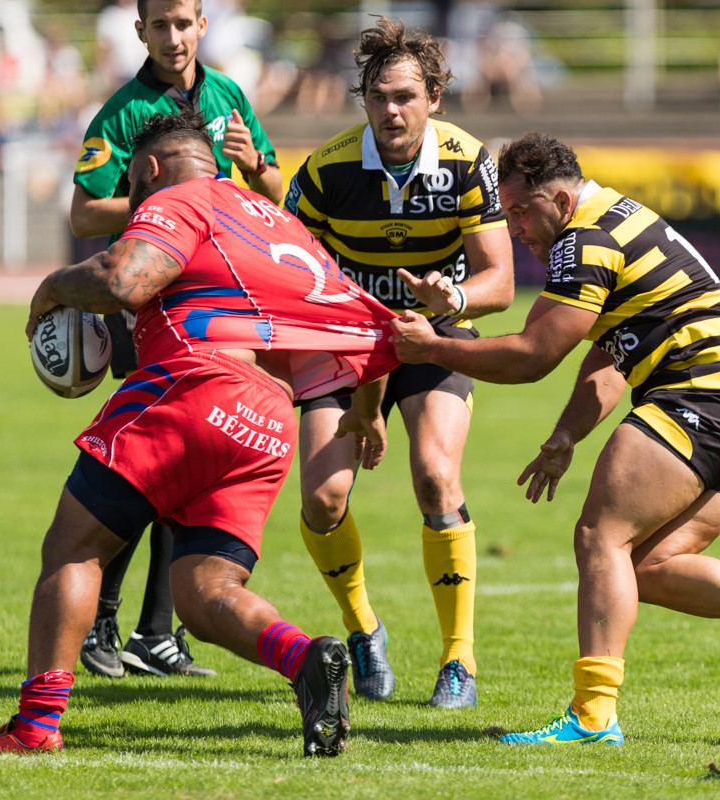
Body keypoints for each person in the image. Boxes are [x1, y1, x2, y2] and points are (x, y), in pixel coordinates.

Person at [0, 110, 400, 757]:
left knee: (74, 546)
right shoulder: (278, 222)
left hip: (194, 384)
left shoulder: (183, 198)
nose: (134, 204)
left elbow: (122, 278)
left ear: (152, 170)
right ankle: (307, 658)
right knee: (205, 591)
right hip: (265, 417)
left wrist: (53, 286)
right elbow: (373, 328)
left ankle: (34, 728)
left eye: (135, 188)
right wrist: (366, 411)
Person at [390, 131, 720, 745]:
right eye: (506, 214)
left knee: (600, 536)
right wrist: (566, 435)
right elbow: (611, 353)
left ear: (561, 200)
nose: (514, 228)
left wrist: (434, 347)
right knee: (647, 565)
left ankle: (593, 715)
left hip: (703, 395)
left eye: (521, 212)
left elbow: (533, 355)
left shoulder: (585, 240)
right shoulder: (619, 218)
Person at [282, 17, 514, 708]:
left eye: (406, 96)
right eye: (379, 96)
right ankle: (363, 631)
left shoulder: (470, 162)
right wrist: (362, 393)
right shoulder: (324, 174)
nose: (392, 110)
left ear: (435, 96)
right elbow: (292, 280)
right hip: (346, 344)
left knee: (438, 478)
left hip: (434, 336)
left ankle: (459, 663)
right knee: (323, 501)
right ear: (363, 99)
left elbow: (500, 282)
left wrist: (457, 294)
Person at [70, 0, 284, 680]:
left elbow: (274, 192)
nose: (173, 36)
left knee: (188, 468)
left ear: (202, 26)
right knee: (147, 463)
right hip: (147, 300)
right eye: (158, 25)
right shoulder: (123, 112)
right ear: (140, 32)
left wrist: (256, 171)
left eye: (183, 22)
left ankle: (155, 632)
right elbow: (82, 212)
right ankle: (103, 615)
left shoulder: (228, 96)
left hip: (215, 302)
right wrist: (165, 200)